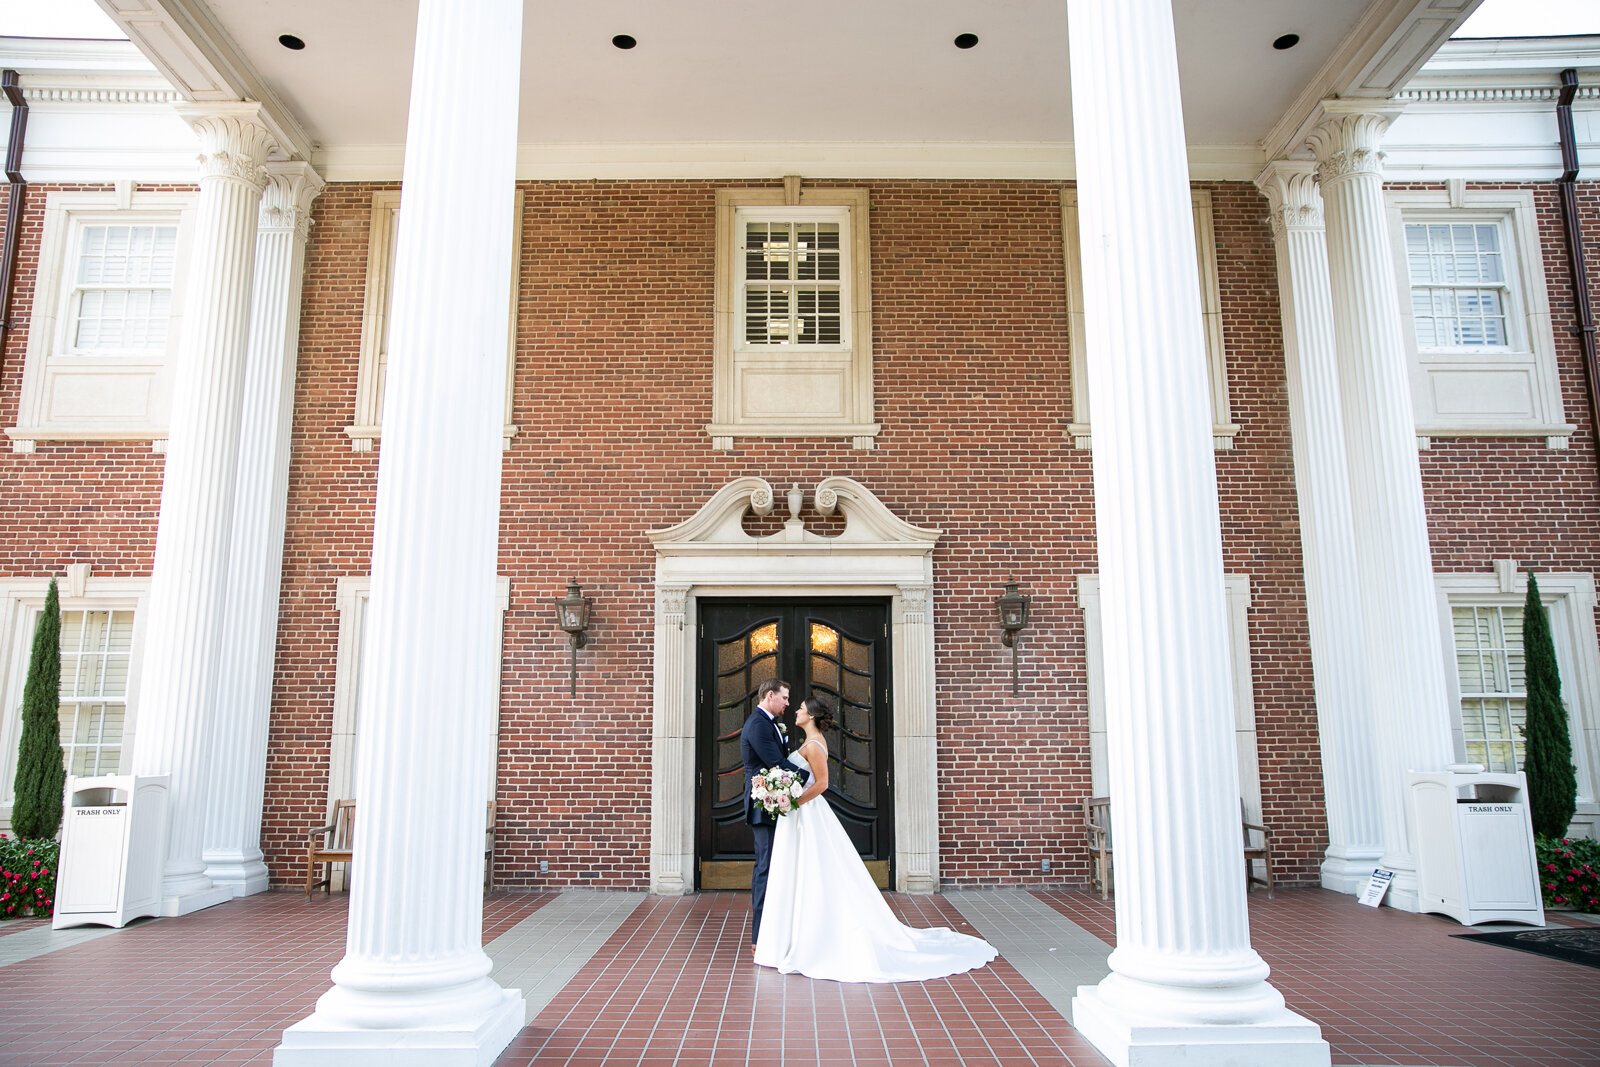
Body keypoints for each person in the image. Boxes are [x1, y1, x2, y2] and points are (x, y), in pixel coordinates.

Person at [754, 693, 997, 982]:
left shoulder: (815, 744)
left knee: (813, 870)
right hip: (798, 816)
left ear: (813, 716)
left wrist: (793, 802)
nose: (796, 711)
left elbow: (822, 783)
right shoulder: (809, 741)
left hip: (807, 814)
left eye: (802, 709)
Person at [740, 677, 807, 959]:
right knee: (765, 869)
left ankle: (774, 932)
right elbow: (776, 764)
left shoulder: (770, 724)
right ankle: (758, 937)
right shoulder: (757, 724)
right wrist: (811, 778)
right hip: (763, 807)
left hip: (774, 805)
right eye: (785, 698)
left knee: (774, 868)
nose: (788, 704)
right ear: (770, 696)